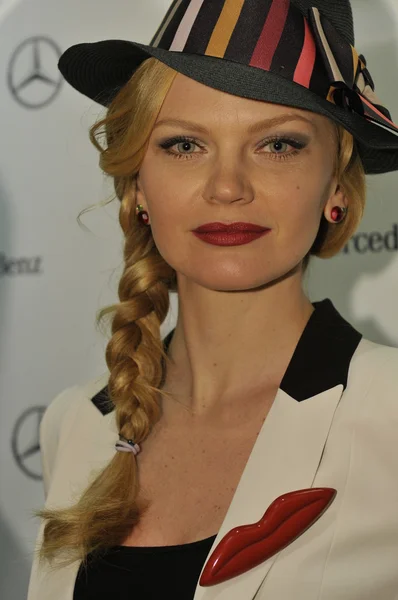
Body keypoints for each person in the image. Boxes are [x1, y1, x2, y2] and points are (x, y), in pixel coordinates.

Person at [27, 0, 398, 599]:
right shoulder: (75, 425)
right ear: (137, 185)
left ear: (336, 184)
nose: (228, 187)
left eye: (277, 145)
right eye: (183, 146)